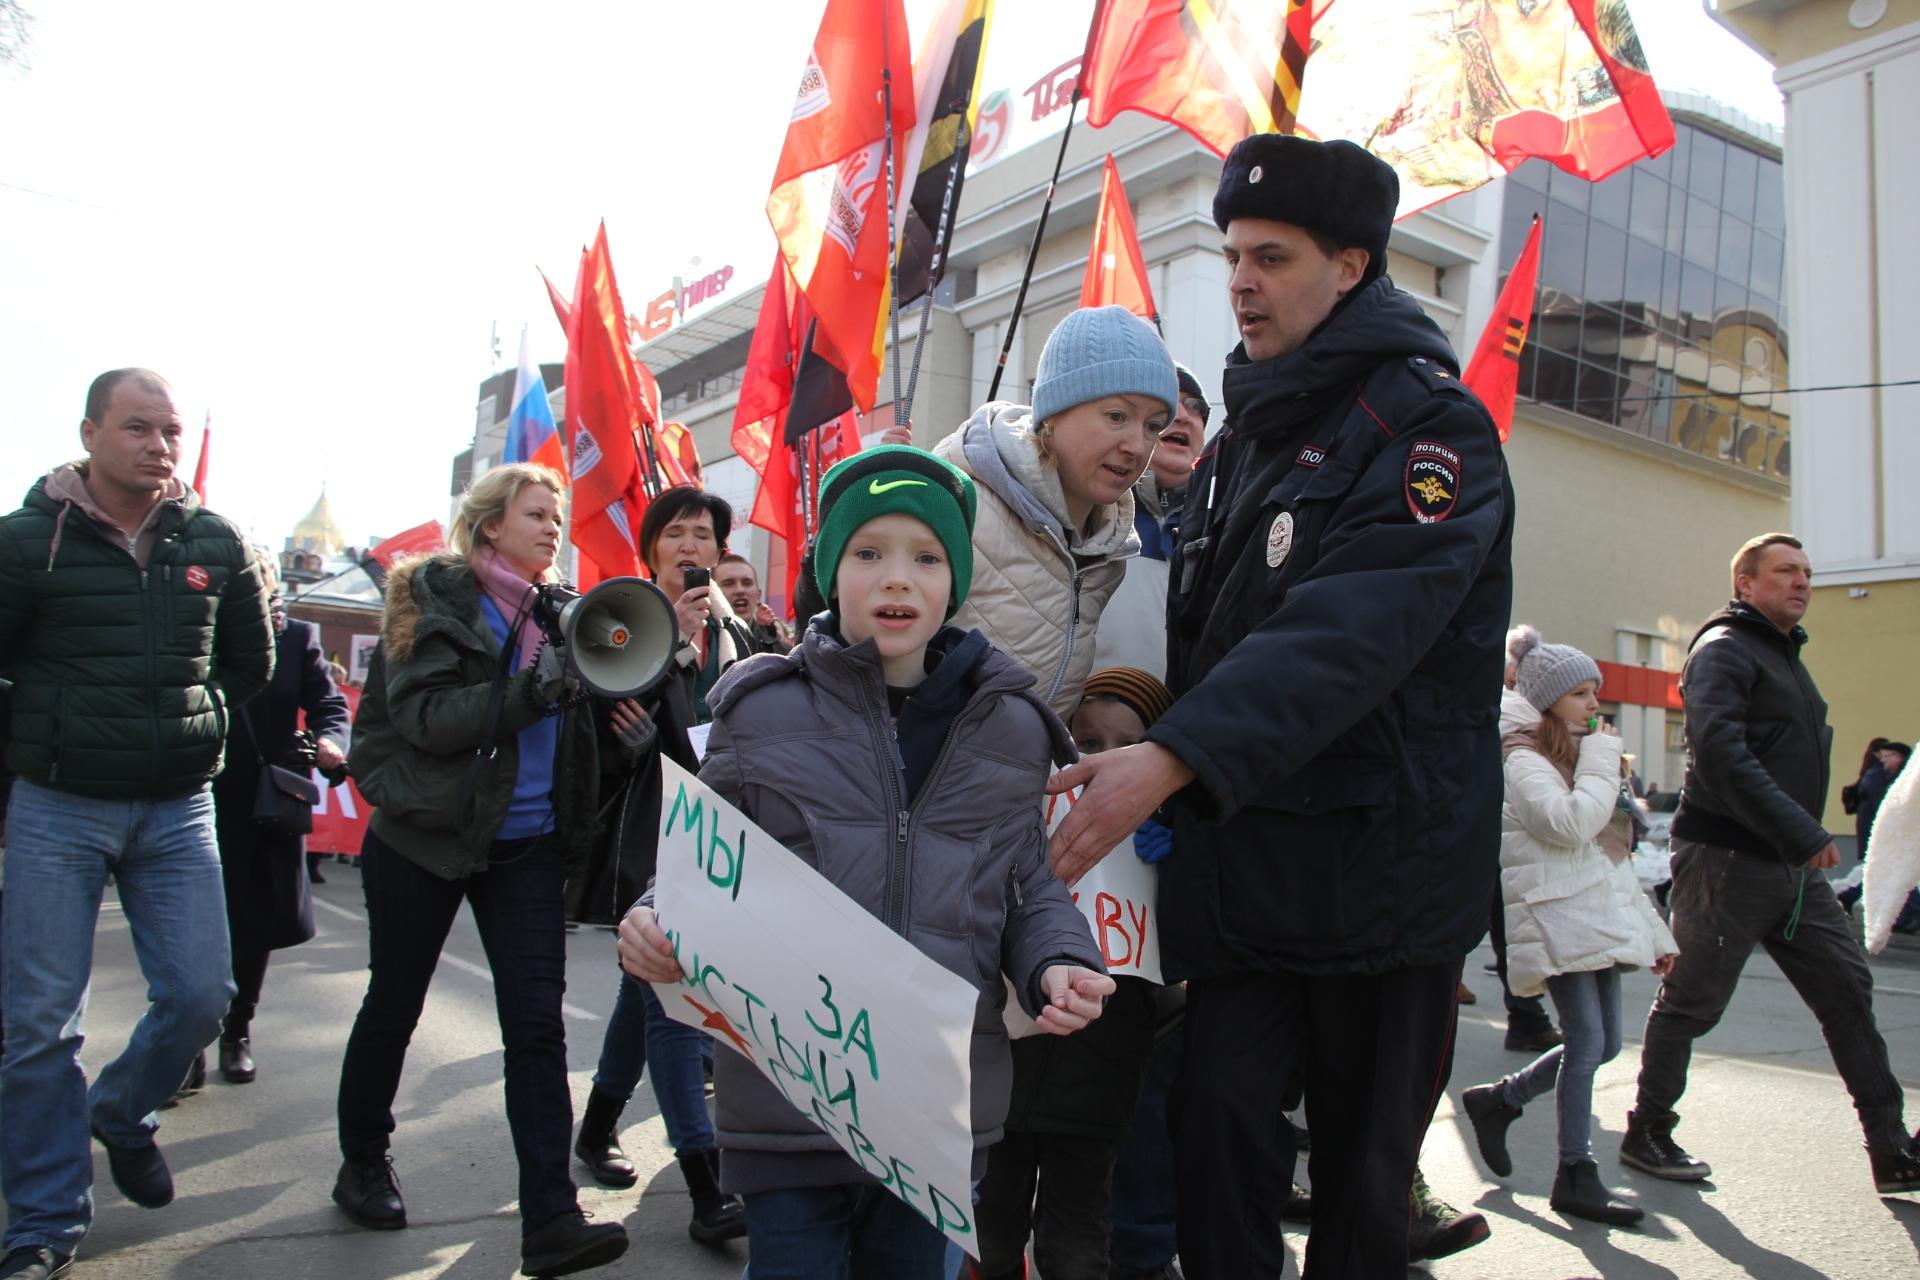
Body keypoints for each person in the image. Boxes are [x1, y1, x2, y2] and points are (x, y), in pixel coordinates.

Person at [1045, 135, 1515, 1277]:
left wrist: (1172, 756)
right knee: (1216, 1146)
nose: (1242, 279)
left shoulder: (1432, 433)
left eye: (1272, 255)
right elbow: (1204, 643)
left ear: (1350, 266)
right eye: (1232, 253)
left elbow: (1348, 632)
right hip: (1249, 878)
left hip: (1382, 885)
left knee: (1359, 1195)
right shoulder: (1233, 444)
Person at [618, 445, 1114, 1278]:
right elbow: (696, 865)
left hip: (933, 1112)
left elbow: (1028, 883)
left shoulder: (1012, 728)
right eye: (868, 553)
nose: (897, 579)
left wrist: (1058, 960)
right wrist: (652, 918)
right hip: (788, 1110)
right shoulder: (759, 712)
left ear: (954, 581)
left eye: (926, 557)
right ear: (829, 571)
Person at [0, 368, 274, 1280]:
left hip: (177, 807)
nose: (158, 445)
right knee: (40, 1025)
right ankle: (42, 1222)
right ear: (88, 433)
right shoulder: (26, 541)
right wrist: (49, 741)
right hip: (56, 806)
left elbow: (247, 664)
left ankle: (120, 1112)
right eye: (137, 428)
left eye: (168, 430)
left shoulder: (215, 541)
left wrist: (183, 731)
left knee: (201, 995)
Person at [335, 463, 628, 1276]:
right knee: (394, 1004)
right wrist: (533, 692)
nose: (553, 527)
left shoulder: (560, 612)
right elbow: (427, 719)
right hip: (425, 842)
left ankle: (551, 1221)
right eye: (536, 513)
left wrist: (622, 737)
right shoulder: (435, 598)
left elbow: (570, 738)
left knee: (535, 1032)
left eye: (557, 516)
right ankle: (362, 1162)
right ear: (491, 525)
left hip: (526, 846)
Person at [1622, 533, 1920, 1195]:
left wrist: (1797, 840)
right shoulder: (1723, 649)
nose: (1803, 581)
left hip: (1791, 868)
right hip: (1729, 858)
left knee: (1848, 991)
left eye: (1808, 572)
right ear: (1746, 584)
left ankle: (1890, 1147)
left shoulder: (1784, 655)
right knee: (1692, 1002)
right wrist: (1800, 829)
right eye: (1786, 570)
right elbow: (1721, 754)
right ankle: (1647, 1128)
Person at [571, 484, 752, 1247]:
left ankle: (598, 1124)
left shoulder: (739, 632)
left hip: (722, 842)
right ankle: (708, 1184)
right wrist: (667, 651)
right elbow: (597, 725)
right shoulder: (624, 623)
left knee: (642, 986)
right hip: (651, 838)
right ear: (651, 551)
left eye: (704, 536)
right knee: (674, 997)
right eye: (675, 534)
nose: (691, 548)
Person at [1460, 634, 1676, 1227]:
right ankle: (1574, 1173)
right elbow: (1571, 824)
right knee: (1586, 1043)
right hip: (1556, 916)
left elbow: (1613, 862)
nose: (1593, 705)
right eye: (1580, 694)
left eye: (1594, 693)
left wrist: (1657, 936)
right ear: (1548, 699)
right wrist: (1606, 764)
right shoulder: (1523, 756)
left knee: (1604, 1044)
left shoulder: (1582, 757)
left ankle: (1500, 1099)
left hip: (1594, 914)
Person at [973, 667, 1172, 1280]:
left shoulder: (1170, 834)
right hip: (1006, 1065)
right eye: (1087, 741)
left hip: (1100, 1070)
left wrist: (1181, 860)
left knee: (1078, 1236)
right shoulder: (1016, 817)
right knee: (989, 1229)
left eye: (1126, 746)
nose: (1104, 760)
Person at [932, 304, 1178, 720]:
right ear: (1053, 414)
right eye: (1117, 416)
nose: (1138, 446)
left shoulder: (1109, 549)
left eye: (1153, 426)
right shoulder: (957, 506)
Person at [206, 576, 349, 1084]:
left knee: (254, 922)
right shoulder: (202, 629)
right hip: (202, 798)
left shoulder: (296, 638)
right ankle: (185, 1040)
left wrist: (331, 740)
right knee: (198, 922)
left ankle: (236, 1030)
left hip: (270, 802)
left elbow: (329, 705)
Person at [1092, 365, 1207, 679]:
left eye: (1195, 407)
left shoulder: (1223, 522)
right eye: (1170, 404)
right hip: (1085, 719)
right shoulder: (1091, 509)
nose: (1183, 415)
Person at [1496, 626, 1563, 1053]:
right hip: (1501, 836)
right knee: (1510, 925)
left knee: (1506, 926)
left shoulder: (1516, 710)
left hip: (1492, 833)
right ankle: (1527, 1017)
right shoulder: (1522, 717)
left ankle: (1528, 1016)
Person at [1838, 739, 1908, 912]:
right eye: (1882, 756)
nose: (1883, 760)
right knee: (1892, 870)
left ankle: (1849, 897)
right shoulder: (1882, 777)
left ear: (1898, 757)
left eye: (1887, 756)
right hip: (1888, 832)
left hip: (1890, 832)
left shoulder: (1896, 777)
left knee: (1888, 870)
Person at [716, 552, 791, 655]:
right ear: (714, 592)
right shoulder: (702, 647)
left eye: (747, 583)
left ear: (758, 594)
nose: (740, 590)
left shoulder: (781, 655)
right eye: (729, 583)